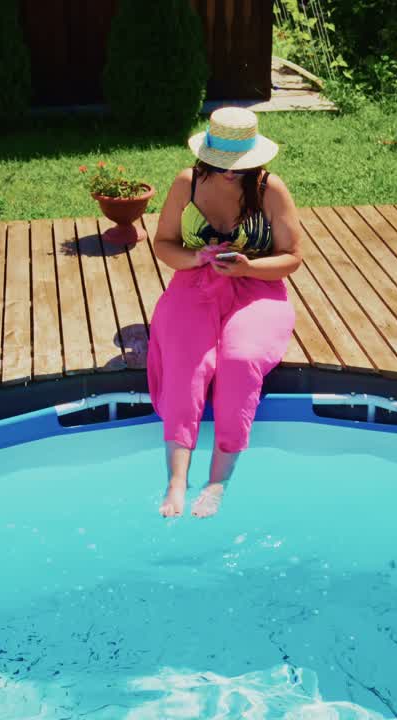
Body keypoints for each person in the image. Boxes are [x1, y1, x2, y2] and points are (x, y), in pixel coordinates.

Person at [148, 107, 302, 519]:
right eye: (223, 163)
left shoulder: (272, 190)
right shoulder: (187, 183)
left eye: (240, 165)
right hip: (195, 284)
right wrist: (197, 256)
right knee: (187, 362)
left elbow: (291, 258)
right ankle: (176, 480)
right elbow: (163, 244)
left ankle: (217, 482)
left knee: (240, 360)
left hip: (258, 289)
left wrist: (249, 267)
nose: (232, 173)